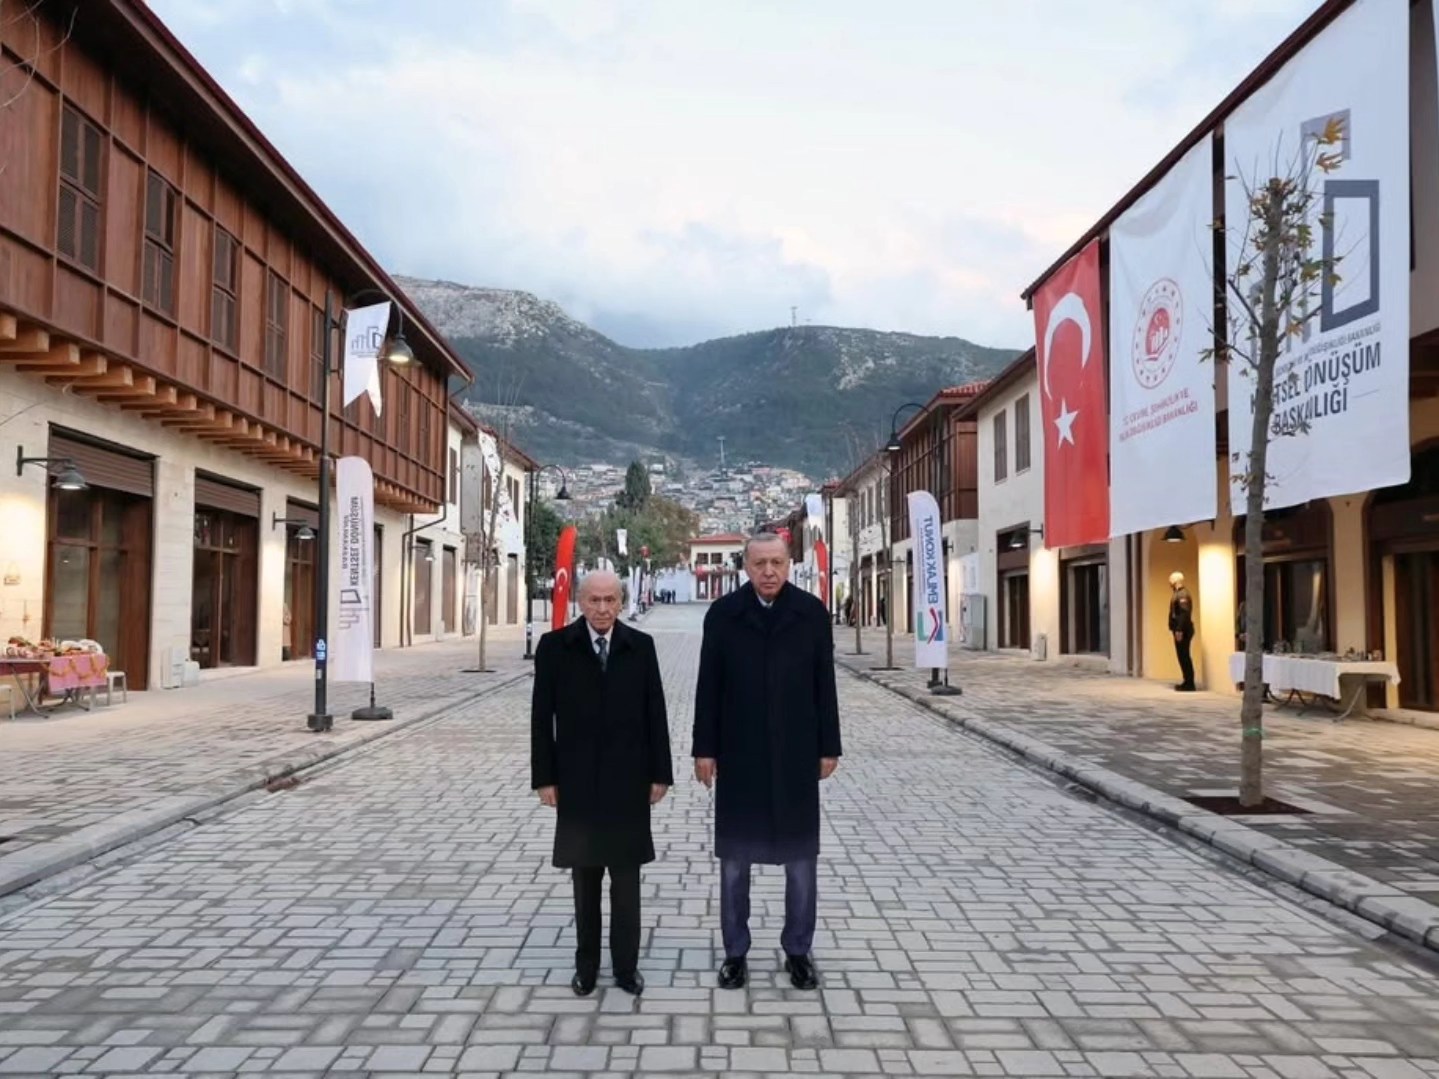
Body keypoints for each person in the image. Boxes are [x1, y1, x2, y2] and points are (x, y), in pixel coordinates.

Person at [693, 532, 842, 992]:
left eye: (777, 562)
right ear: (746, 567)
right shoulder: (724, 615)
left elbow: (824, 684)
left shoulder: (811, 614)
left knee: (801, 860)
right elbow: (708, 686)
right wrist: (704, 749)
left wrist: (829, 746)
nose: (769, 572)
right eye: (760, 564)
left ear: (789, 563)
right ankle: (735, 952)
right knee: (735, 862)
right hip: (740, 754)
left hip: (796, 752)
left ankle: (798, 950)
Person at [531, 570, 673, 997]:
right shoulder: (555, 647)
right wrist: (545, 778)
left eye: (610, 600)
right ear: (580, 601)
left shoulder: (640, 646)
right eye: (594, 600)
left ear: (621, 602)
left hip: (628, 781)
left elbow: (656, 713)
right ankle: (587, 966)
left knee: (626, 882)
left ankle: (626, 967)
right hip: (577, 782)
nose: (603, 608)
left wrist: (660, 773)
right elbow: (541, 718)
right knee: (585, 880)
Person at [1168, 571, 1196, 692]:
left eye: (1170, 581)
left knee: (1184, 656)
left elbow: (1184, 614)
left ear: (1175, 581)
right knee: (1182, 656)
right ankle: (1187, 681)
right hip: (1180, 630)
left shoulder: (1182, 595)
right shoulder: (1178, 594)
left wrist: (1179, 630)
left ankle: (1189, 683)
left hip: (1183, 631)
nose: (1169, 583)